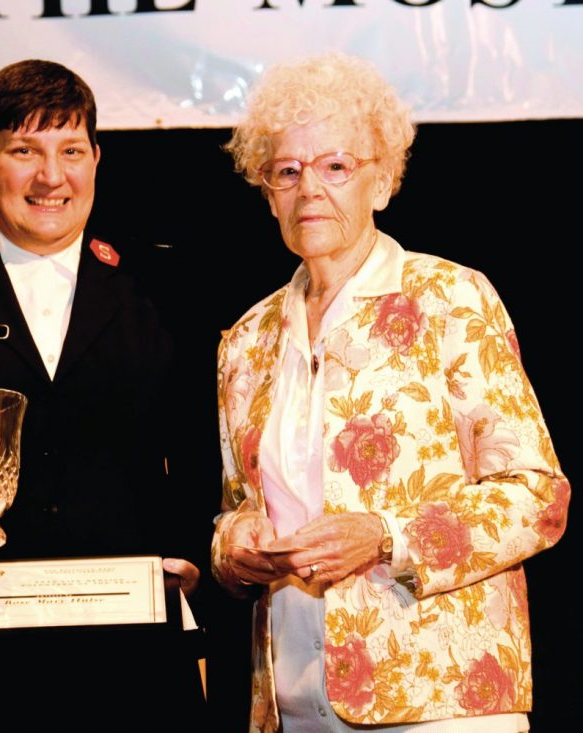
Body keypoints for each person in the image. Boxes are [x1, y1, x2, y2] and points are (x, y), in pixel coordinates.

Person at [210, 52, 570, 732]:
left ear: (382, 180)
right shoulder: (246, 340)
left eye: (335, 166)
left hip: (441, 700)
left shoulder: (451, 299)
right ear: (266, 190)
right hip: (291, 705)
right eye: (287, 170)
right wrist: (235, 547)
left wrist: (385, 537)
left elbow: (538, 496)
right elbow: (234, 512)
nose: (309, 188)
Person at [0, 59, 212, 730]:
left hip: (136, 655)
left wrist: (196, 561)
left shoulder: (163, 288)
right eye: (24, 150)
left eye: (71, 151)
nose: (51, 176)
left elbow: (204, 451)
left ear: (96, 159)